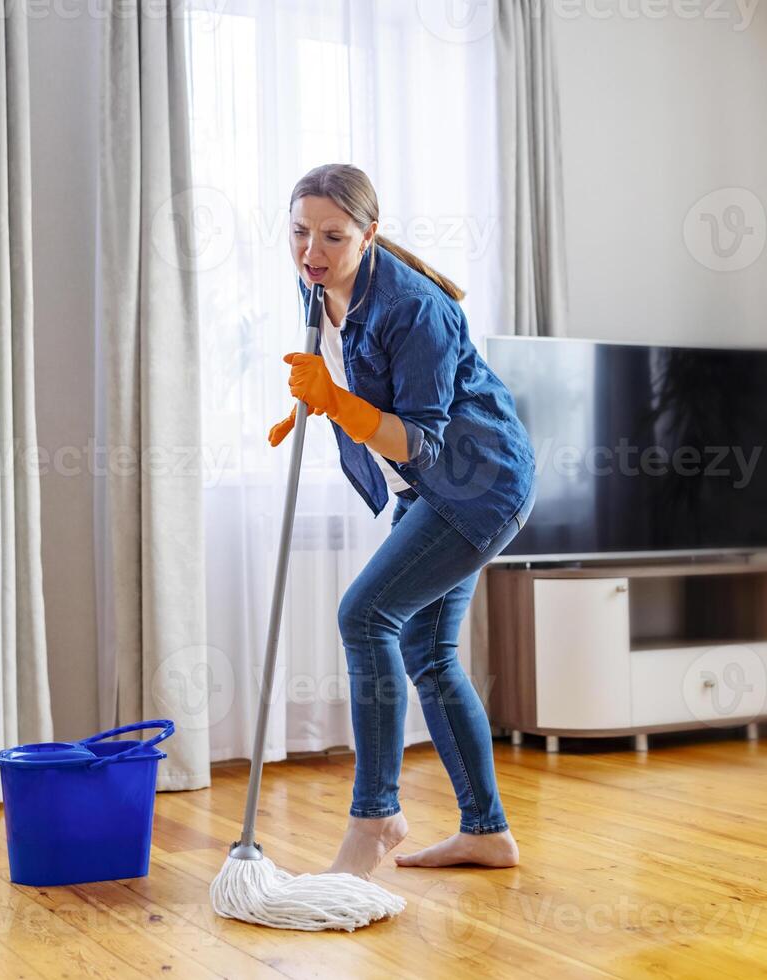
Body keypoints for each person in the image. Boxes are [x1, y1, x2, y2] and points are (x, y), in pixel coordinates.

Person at [269, 163, 537, 877]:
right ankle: (486, 832)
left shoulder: (416, 309)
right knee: (427, 652)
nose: (311, 251)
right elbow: (346, 377)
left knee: (365, 617)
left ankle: (375, 815)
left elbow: (418, 438)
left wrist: (333, 401)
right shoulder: (317, 284)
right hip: (431, 488)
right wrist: (303, 404)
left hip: (479, 485)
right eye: (299, 232)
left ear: (369, 234)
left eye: (332, 235)